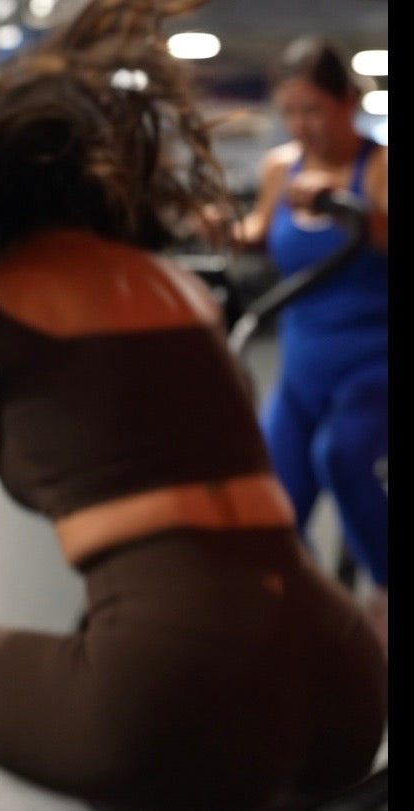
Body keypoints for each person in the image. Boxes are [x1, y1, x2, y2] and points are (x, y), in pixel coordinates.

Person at [0, 0, 387, 808]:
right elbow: (84, 458)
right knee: (156, 721)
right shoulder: (171, 286)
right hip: (342, 676)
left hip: (175, 672)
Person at [219, 35, 389, 655]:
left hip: (373, 365)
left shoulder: (379, 166)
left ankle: (385, 595)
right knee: (271, 501)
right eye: (291, 112)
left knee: (341, 456)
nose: (301, 125)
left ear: (347, 102)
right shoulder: (278, 168)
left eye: (313, 109)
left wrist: (350, 209)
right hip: (304, 366)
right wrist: (216, 228)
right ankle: (318, 612)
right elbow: (259, 234)